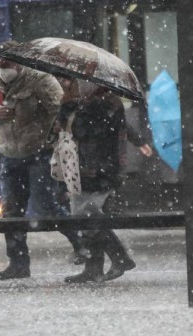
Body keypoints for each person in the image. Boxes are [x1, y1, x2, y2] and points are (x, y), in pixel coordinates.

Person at [0, 41, 87, 280]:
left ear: (19, 60)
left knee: (45, 206)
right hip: (9, 155)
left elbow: (61, 109)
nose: (1, 67)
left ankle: (81, 243)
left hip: (39, 152)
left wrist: (51, 129)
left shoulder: (40, 80)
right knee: (11, 212)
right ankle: (18, 263)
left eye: (6, 61)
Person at [51, 78, 136, 283]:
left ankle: (119, 257)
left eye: (72, 80)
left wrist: (68, 113)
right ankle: (94, 267)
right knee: (84, 215)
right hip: (79, 167)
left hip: (98, 168)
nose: (65, 83)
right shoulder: (80, 102)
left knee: (86, 214)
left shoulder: (106, 102)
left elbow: (90, 131)